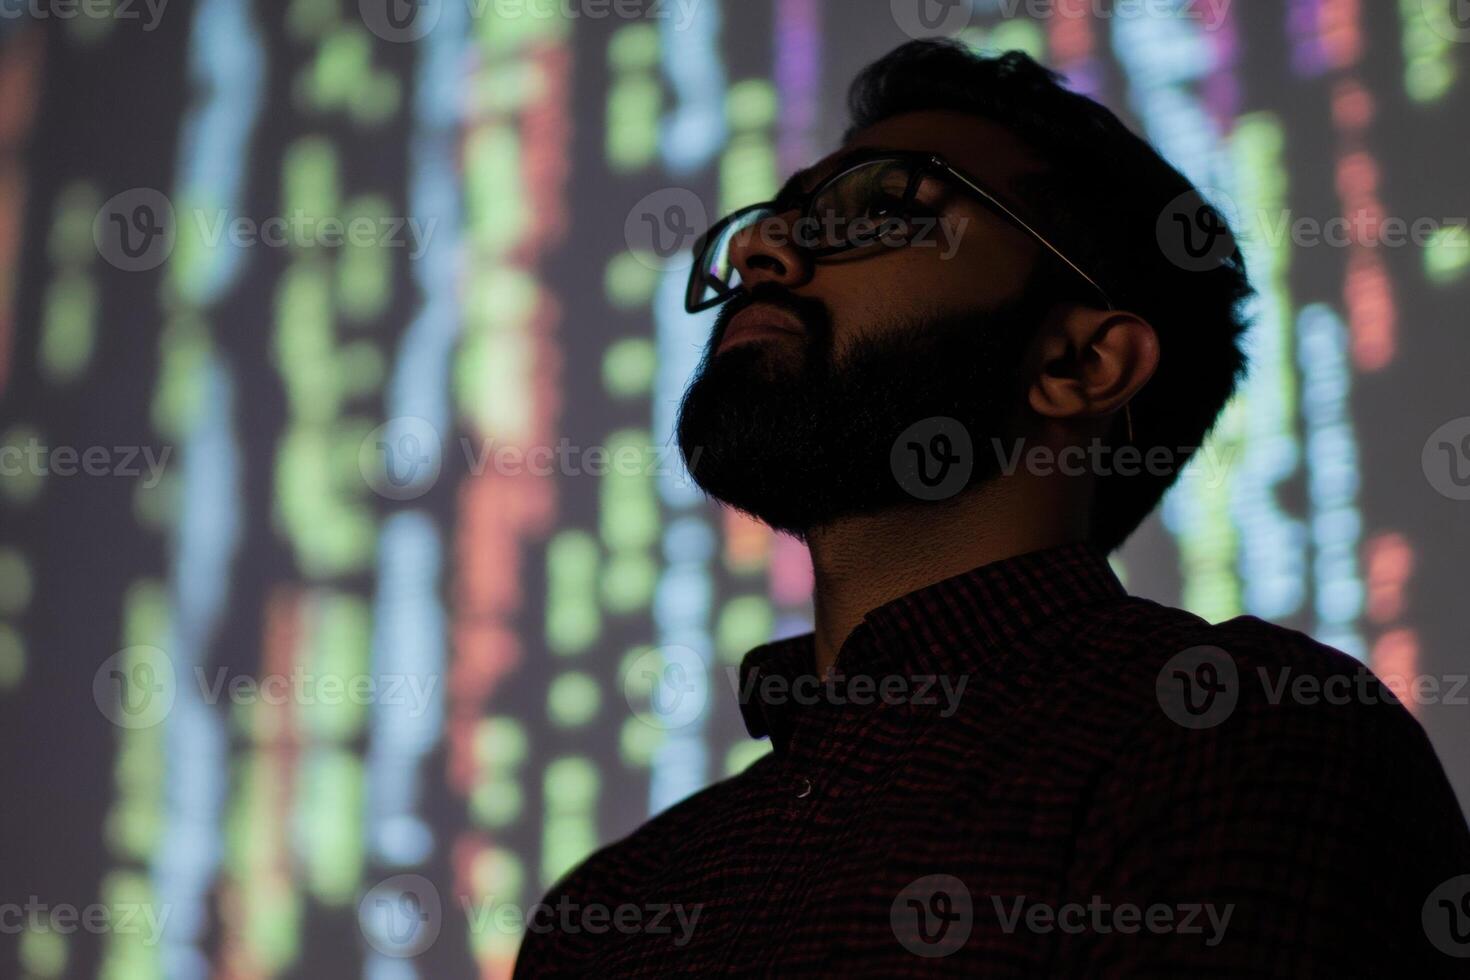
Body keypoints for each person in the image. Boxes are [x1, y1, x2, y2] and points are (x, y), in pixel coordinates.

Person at [513, 40, 1470, 976]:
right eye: (776, 218)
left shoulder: (1239, 735)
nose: (766, 247)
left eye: (877, 208)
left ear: (1079, 363)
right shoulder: (611, 909)